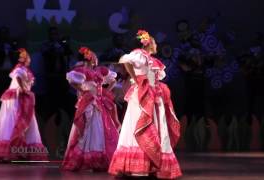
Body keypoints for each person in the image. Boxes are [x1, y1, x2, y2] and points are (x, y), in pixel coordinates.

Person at [108, 30, 182, 179]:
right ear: (147, 43)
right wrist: (135, 77)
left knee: (158, 126)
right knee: (138, 124)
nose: (156, 45)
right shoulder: (139, 54)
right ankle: (138, 166)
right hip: (142, 96)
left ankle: (153, 165)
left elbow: (156, 76)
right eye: (154, 42)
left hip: (155, 95)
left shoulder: (151, 60)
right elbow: (125, 60)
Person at [62, 47, 119, 171]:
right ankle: (87, 158)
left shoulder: (100, 70)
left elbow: (113, 81)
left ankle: (100, 159)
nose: (95, 58)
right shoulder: (83, 71)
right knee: (87, 127)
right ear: (90, 59)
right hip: (89, 103)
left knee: (101, 128)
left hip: (99, 102)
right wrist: (82, 90)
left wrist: (105, 92)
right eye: (93, 56)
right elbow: (72, 81)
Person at [0, 48, 48, 162]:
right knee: (13, 120)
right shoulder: (19, 68)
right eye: (27, 56)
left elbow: (26, 80)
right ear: (22, 58)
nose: (29, 58)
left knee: (24, 121)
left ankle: (23, 151)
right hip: (17, 96)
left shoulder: (26, 70)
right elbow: (18, 77)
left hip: (24, 96)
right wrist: (23, 87)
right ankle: (11, 151)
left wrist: (26, 87)